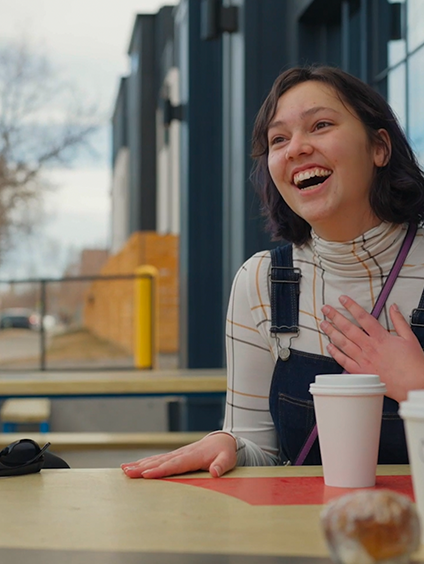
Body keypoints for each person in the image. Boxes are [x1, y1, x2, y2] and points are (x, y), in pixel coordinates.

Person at [124, 65, 424, 479]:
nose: (296, 148)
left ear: (379, 148)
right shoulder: (262, 281)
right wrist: (230, 444)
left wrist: (416, 386)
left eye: (320, 125)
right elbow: (262, 452)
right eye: (278, 139)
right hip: (305, 539)